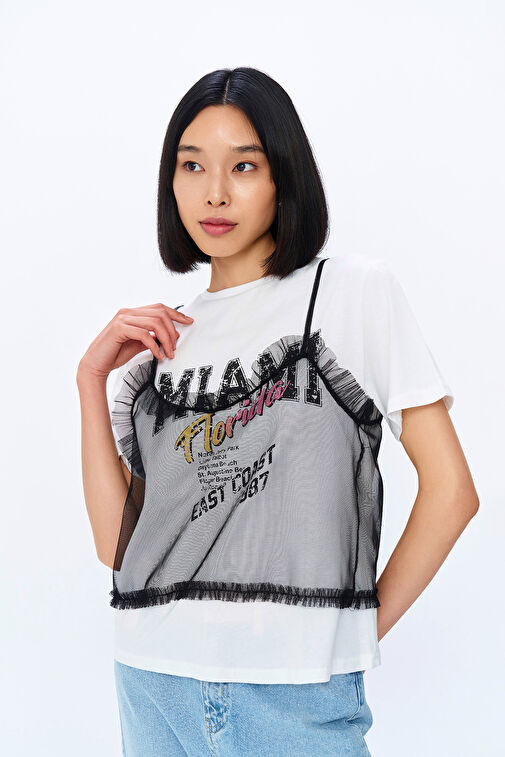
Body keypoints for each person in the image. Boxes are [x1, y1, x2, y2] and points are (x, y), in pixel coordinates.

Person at [76, 67, 479, 756]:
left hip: (292, 697)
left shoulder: (349, 293)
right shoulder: (166, 342)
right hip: (151, 682)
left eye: (244, 165)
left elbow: (452, 493)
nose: (215, 191)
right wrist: (90, 381)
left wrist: (349, 633)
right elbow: (122, 548)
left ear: (283, 177)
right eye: (192, 165)